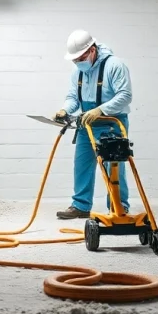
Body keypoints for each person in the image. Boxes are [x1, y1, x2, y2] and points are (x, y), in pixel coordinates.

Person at [54, 30, 133, 220]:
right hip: (86, 124)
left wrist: (101, 110)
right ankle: (81, 205)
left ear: (92, 50)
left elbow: (125, 95)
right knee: (81, 165)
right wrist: (65, 110)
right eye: (75, 60)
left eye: (81, 58)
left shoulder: (115, 65)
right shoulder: (78, 71)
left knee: (113, 166)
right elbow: (74, 97)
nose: (78, 62)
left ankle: (118, 205)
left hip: (112, 123)